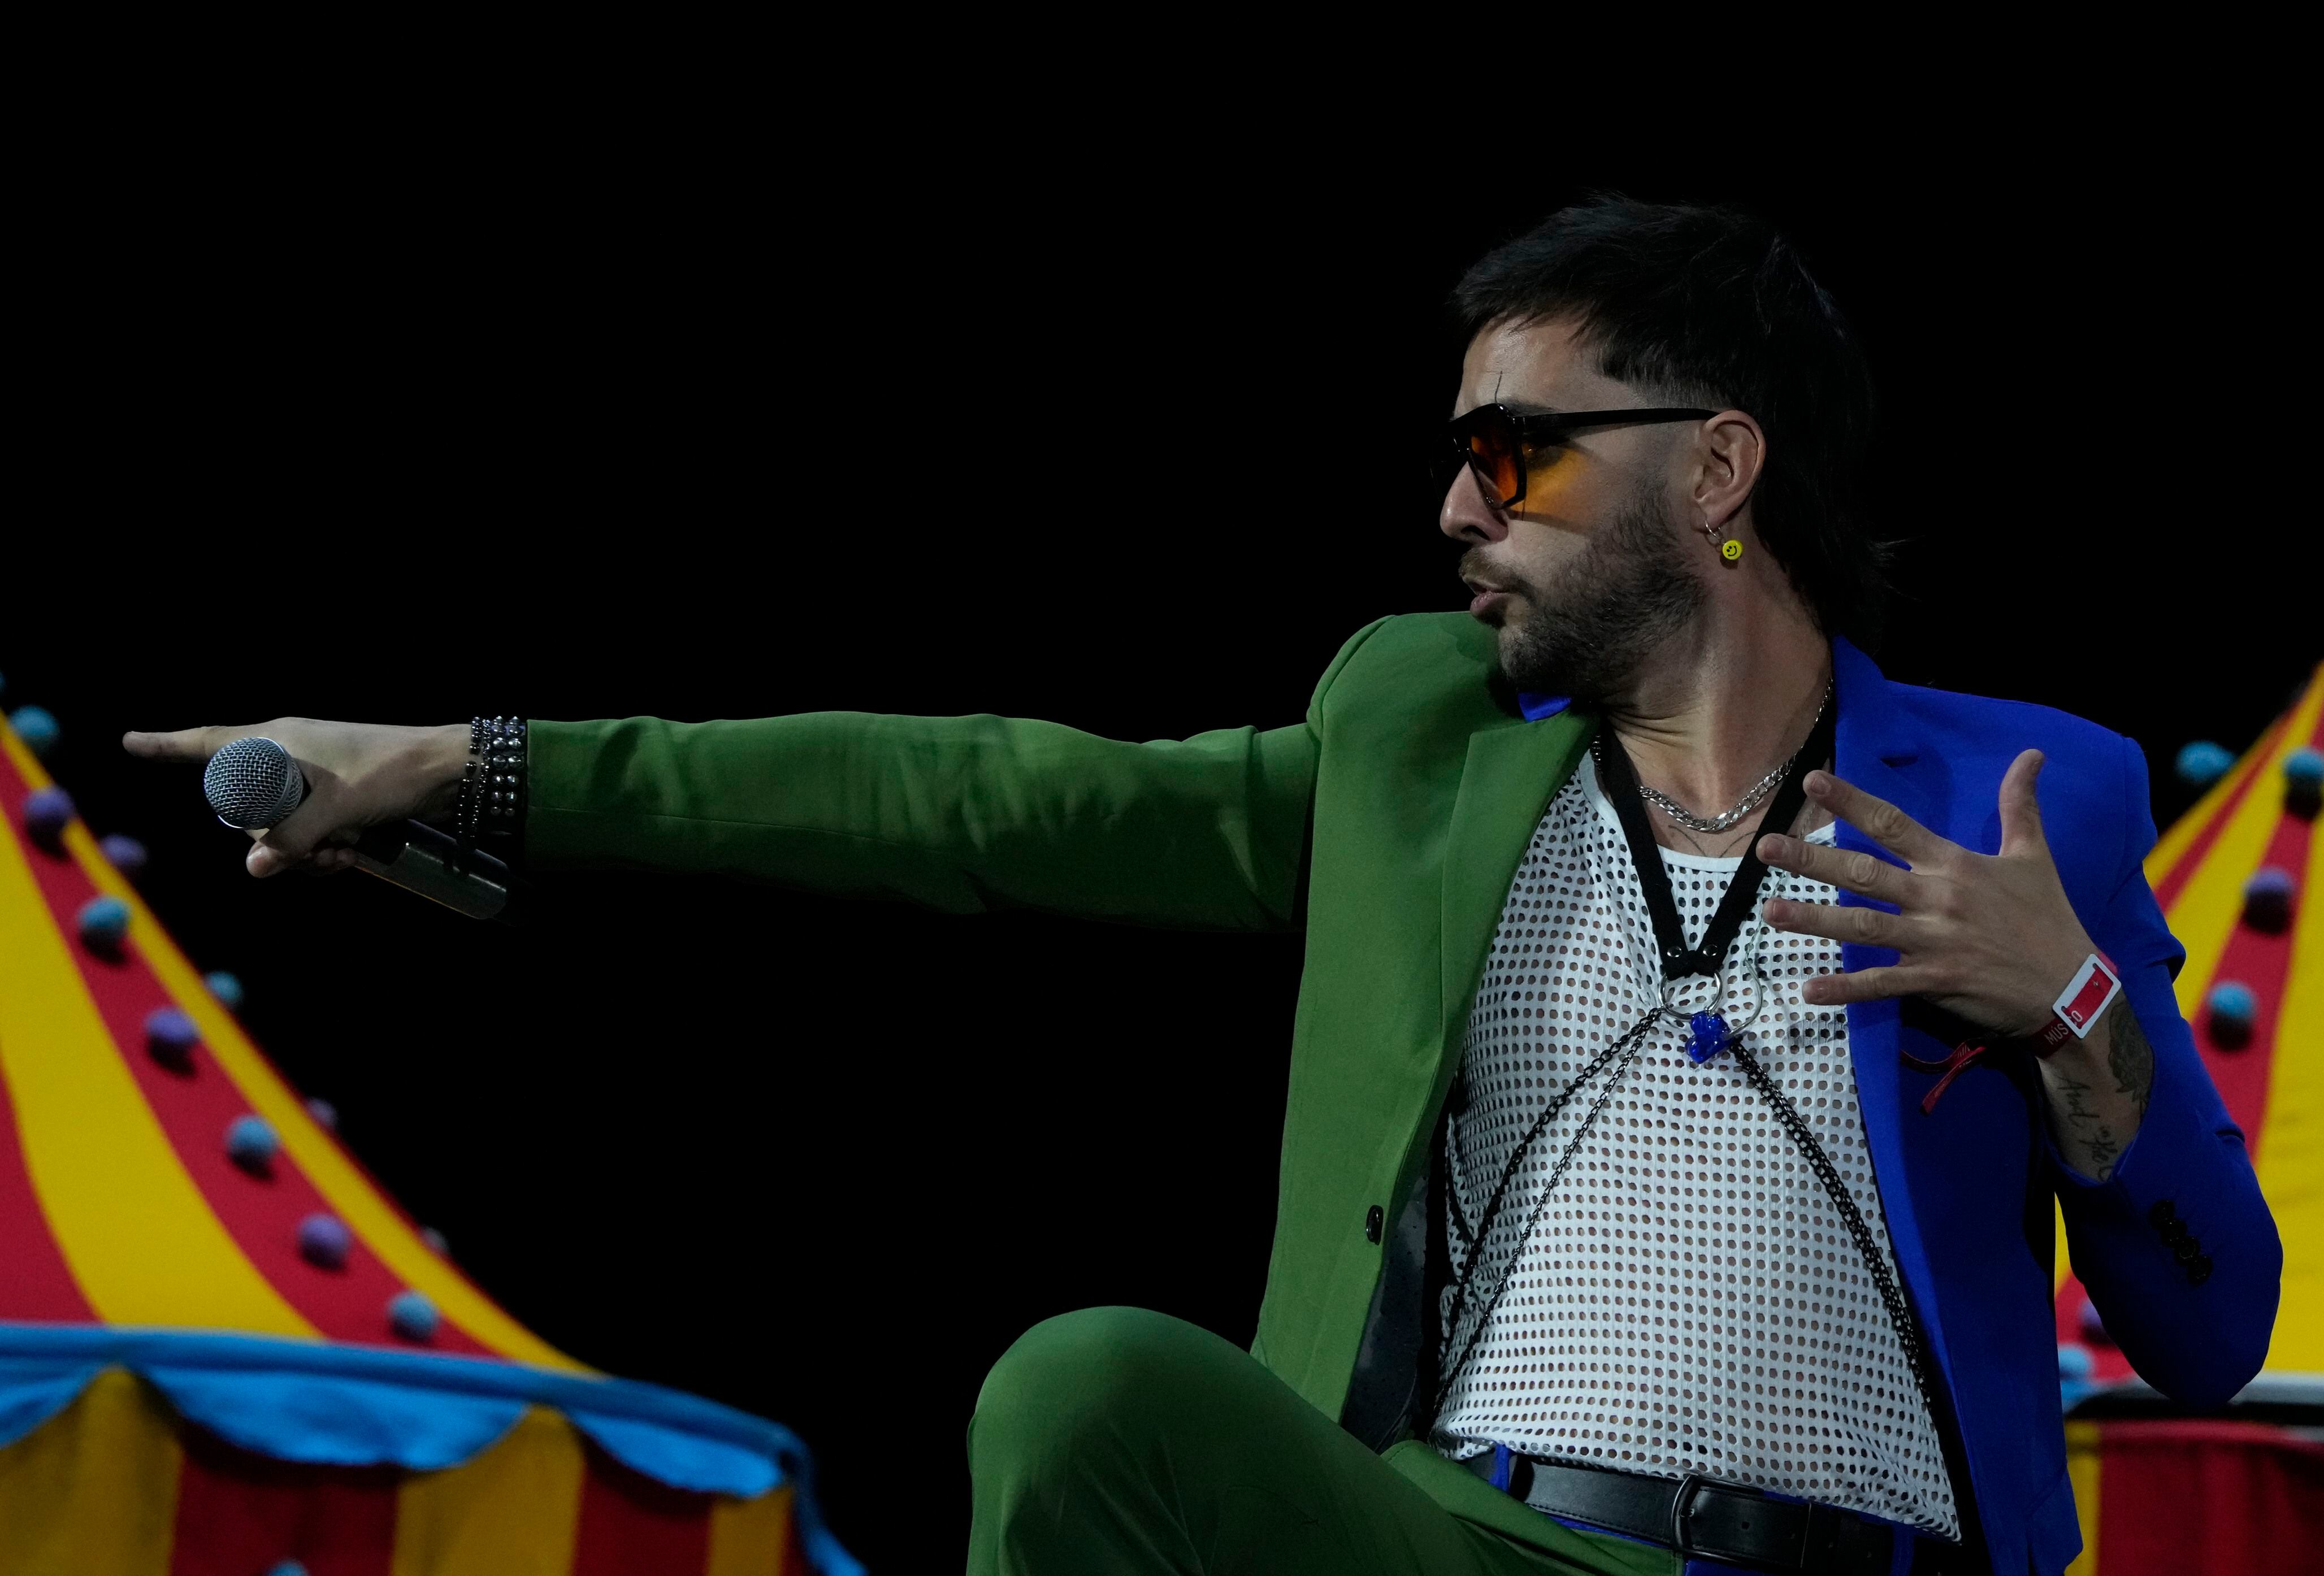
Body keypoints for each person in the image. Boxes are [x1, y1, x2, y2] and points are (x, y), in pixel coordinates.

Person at [127, 198, 2278, 1576]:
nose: (1457, 502)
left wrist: (2079, 1028)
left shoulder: (2026, 798)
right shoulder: (1416, 755)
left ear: (1719, 469)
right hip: (1460, 1545)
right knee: (1090, 1393)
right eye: (1460, 450)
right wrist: (475, 767)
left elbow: (2214, 1335)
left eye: (1517, 450)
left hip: (1855, 1561)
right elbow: (968, 799)